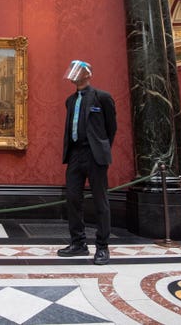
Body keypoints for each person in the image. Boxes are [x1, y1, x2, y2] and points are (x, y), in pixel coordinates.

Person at [58, 60, 117, 265]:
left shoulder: (102, 97)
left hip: (95, 155)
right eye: (72, 69)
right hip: (74, 154)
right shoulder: (70, 100)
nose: (73, 73)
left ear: (88, 74)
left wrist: (101, 148)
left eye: (78, 70)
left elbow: (111, 129)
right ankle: (78, 243)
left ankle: (102, 247)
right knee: (73, 199)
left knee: (100, 201)